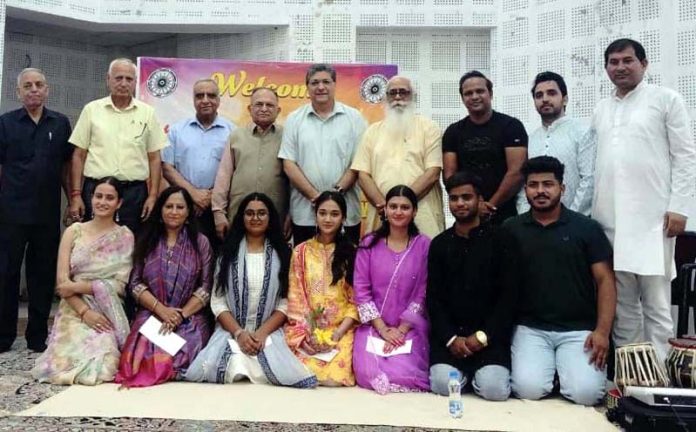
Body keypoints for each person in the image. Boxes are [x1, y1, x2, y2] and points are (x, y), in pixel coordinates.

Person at [592, 38, 696, 361]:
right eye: (613, 62)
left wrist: (680, 207)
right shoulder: (601, 108)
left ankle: (661, 377)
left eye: (627, 60)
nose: (620, 67)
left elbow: (686, 157)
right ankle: (632, 376)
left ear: (644, 64)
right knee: (622, 305)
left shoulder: (665, 100)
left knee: (657, 302)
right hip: (609, 219)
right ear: (606, 68)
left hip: (653, 220)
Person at [504, 156, 616, 406]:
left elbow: (605, 280)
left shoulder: (586, 228)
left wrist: (602, 332)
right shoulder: (511, 229)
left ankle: (565, 372)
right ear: (525, 190)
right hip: (530, 328)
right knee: (528, 390)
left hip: (579, 330)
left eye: (548, 184)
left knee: (586, 395)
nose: (540, 191)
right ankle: (552, 372)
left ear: (562, 188)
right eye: (533, 185)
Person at [185, 193, 316, 387]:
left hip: (268, 331)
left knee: (285, 370)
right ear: (242, 218)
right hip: (232, 331)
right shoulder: (227, 253)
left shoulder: (283, 253)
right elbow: (218, 301)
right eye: (250, 213)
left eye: (262, 213)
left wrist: (262, 333)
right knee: (225, 364)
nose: (256, 218)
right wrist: (239, 333)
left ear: (270, 218)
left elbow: (285, 301)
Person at [32, 177, 134, 385]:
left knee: (105, 366)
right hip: (74, 306)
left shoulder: (124, 236)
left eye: (109, 198)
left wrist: (80, 286)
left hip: (107, 308)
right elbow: (62, 284)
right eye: (98, 196)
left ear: (119, 203)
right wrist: (84, 312)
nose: (102, 202)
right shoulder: (74, 231)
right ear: (91, 198)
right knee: (60, 365)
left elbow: (119, 285)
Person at [0, 68, 73, 353]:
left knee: (42, 276)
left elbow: (68, 167)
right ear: (18, 92)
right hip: (10, 214)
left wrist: (74, 198)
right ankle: (4, 336)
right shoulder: (5, 123)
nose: (33, 89)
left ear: (47, 89)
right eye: (27, 86)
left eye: (39, 85)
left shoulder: (61, 123)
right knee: (6, 274)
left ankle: (37, 337)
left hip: (46, 213)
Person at [427, 172, 515, 401]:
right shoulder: (440, 244)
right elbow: (434, 299)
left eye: (467, 197)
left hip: (489, 338)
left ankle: (478, 375)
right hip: (451, 340)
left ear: (480, 200)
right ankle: (465, 374)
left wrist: (483, 336)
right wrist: (450, 338)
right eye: (454, 198)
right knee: (441, 383)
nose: (460, 203)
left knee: (493, 390)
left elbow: (509, 297)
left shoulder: (501, 240)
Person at [114, 186, 213, 387]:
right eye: (169, 206)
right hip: (152, 312)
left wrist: (180, 315)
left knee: (185, 350)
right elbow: (135, 284)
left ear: (188, 213)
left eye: (180, 207)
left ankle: (170, 369)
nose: (174, 212)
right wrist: (162, 311)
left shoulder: (200, 242)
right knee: (139, 355)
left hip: (188, 316)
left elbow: (206, 286)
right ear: (160, 210)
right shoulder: (147, 240)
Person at [69, 58, 168, 234]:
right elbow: (79, 155)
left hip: (134, 194)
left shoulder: (148, 113)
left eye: (129, 79)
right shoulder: (91, 110)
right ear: (108, 80)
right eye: (118, 78)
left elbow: (154, 158)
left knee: (132, 246)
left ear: (135, 82)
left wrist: (153, 196)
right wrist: (76, 196)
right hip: (97, 193)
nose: (123, 83)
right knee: (93, 246)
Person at [352, 185, 430, 394]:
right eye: (393, 206)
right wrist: (383, 329)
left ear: (414, 211)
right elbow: (361, 290)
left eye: (404, 207)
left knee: (404, 373)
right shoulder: (368, 244)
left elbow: (423, 292)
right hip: (373, 326)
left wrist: (401, 330)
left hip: (410, 329)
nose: (398, 212)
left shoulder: (424, 246)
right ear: (384, 209)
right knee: (366, 371)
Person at [279, 64, 367, 245]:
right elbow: (289, 163)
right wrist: (316, 197)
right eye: (314, 83)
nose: (320, 87)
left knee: (344, 267)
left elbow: (359, 162)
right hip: (305, 214)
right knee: (306, 267)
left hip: (346, 212)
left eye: (326, 82)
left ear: (335, 85)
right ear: (307, 88)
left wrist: (334, 197)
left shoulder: (354, 118)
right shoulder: (294, 119)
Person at [352, 76, 444, 239]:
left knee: (424, 261)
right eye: (392, 93)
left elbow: (433, 172)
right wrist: (387, 208)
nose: (398, 97)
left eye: (403, 92)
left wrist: (401, 204)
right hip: (382, 214)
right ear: (385, 98)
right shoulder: (372, 132)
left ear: (413, 96)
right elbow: (363, 175)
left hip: (422, 212)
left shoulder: (429, 128)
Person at [285, 191, 359, 386]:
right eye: (323, 213)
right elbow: (296, 297)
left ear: (343, 218)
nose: (328, 219)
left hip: (341, 330)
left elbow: (356, 300)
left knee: (334, 379)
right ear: (315, 215)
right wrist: (307, 334)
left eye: (334, 214)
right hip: (307, 330)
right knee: (302, 373)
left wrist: (338, 333)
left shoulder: (352, 252)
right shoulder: (301, 252)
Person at [443, 70, 527, 225]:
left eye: (480, 91)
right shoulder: (453, 132)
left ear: (490, 93)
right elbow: (449, 176)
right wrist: (472, 205)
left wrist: (489, 206)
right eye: (468, 93)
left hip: (504, 215)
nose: (474, 96)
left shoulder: (511, 126)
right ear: (462, 98)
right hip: (467, 216)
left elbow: (517, 172)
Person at [162, 79, 236, 248]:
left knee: (217, 258)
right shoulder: (176, 131)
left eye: (210, 95)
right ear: (193, 100)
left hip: (220, 208)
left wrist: (211, 197)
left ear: (218, 100)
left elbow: (237, 170)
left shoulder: (233, 132)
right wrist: (194, 195)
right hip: (185, 207)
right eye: (199, 96)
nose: (205, 100)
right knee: (185, 256)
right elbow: (167, 167)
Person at [212, 87, 290, 242]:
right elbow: (223, 176)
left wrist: (292, 214)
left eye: (269, 105)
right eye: (259, 104)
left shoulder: (288, 137)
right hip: (238, 216)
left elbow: (294, 179)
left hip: (276, 217)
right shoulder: (236, 136)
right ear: (250, 108)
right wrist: (218, 212)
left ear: (278, 110)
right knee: (235, 260)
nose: (264, 109)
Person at [516, 71, 594, 216]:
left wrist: (572, 219)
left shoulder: (582, 132)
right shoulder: (531, 138)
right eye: (539, 95)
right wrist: (524, 218)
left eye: (551, 93)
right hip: (536, 225)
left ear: (565, 99)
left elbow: (589, 179)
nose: (545, 99)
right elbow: (524, 184)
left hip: (575, 221)